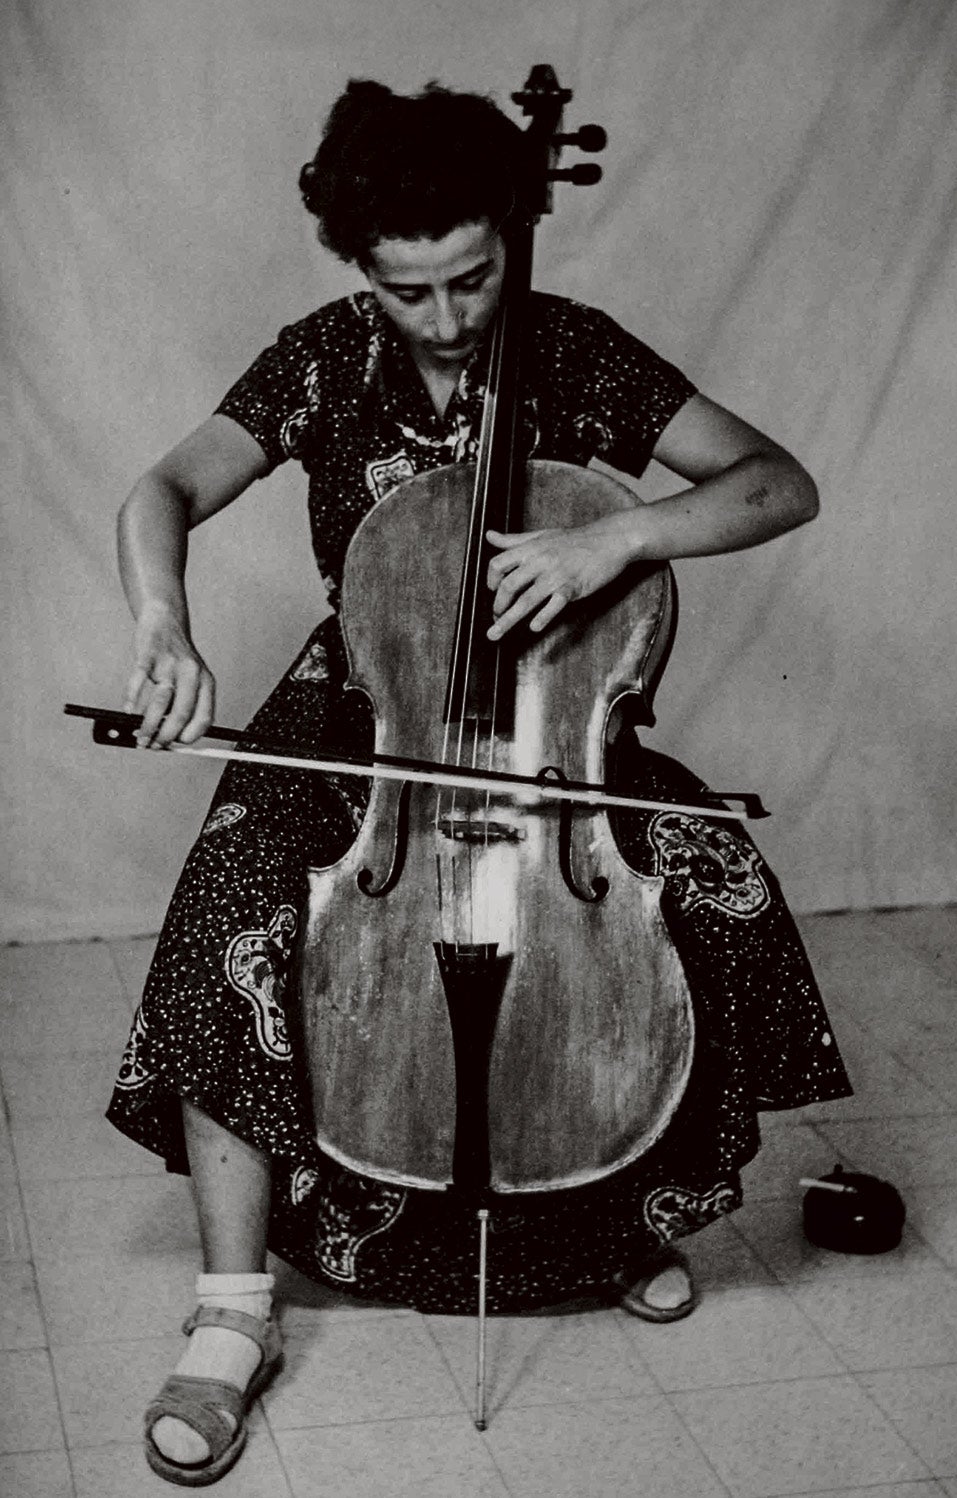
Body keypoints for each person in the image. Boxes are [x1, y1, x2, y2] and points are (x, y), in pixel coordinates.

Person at [108, 79, 851, 1485]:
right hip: (365, 719)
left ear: (513, 234)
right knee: (227, 913)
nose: (449, 318)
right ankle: (232, 1312)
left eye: (474, 277)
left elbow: (777, 482)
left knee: (708, 892)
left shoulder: (577, 351)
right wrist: (163, 625)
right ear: (360, 268)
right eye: (411, 291)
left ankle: (609, 1221)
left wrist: (618, 538)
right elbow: (166, 491)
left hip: (551, 727)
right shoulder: (322, 361)